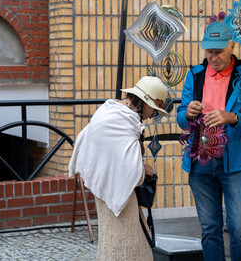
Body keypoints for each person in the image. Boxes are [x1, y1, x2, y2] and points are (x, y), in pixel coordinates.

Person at [176, 21, 241, 261]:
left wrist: (232, 117)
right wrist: (188, 113)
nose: (213, 57)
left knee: (239, 229)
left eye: (219, 51)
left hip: (236, 164)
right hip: (199, 163)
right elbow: (181, 119)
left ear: (232, 45)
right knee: (210, 229)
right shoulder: (194, 74)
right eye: (209, 51)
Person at [68, 76, 169, 261]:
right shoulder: (123, 121)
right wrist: (143, 169)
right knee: (126, 246)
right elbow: (130, 173)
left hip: (106, 188)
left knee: (112, 242)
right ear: (144, 103)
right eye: (154, 110)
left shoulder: (111, 111)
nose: (152, 115)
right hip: (119, 196)